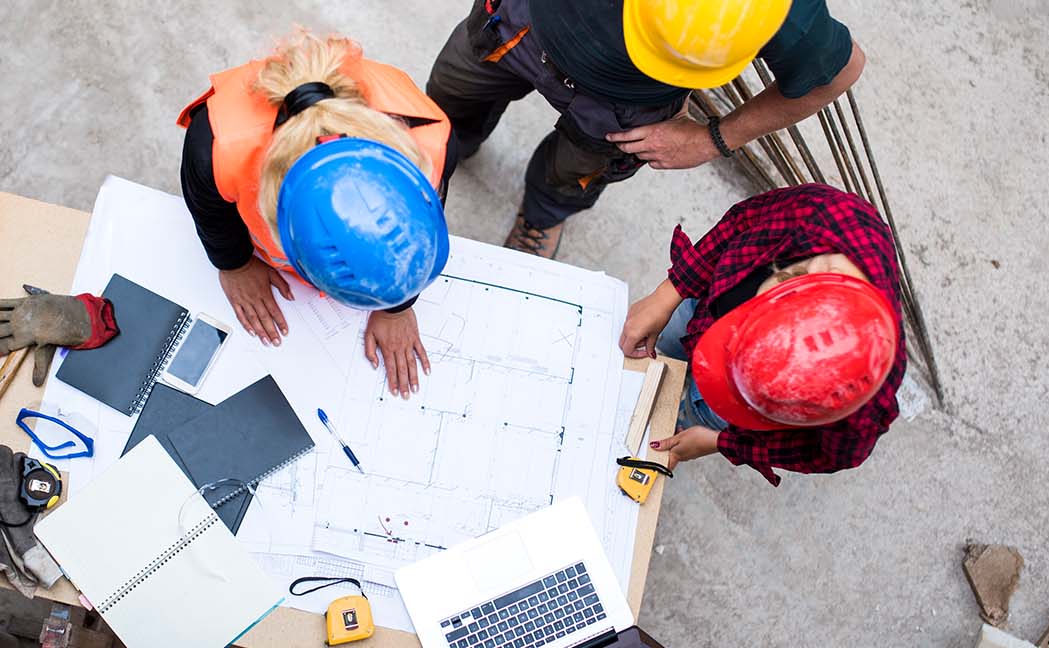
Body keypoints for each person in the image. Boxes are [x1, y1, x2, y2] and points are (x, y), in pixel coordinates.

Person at [426, 0, 864, 258]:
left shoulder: (776, 11)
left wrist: (715, 137)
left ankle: (541, 218)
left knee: (571, 175)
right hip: (524, 21)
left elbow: (838, 71)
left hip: (624, 109)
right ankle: (443, 150)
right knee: (451, 97)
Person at [178, 31, 459, 398]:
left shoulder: (431, 144)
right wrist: (235, 263)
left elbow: (415, 233)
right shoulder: (216, 147)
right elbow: (208, 207)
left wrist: (397, 304)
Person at [618, 184, 906, 485]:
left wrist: (721, 441)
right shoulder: (821, 215)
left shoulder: (865, 407)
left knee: (694, 415)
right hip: (704, 309)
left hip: (731, 406)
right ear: (787, 275)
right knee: (668, 336)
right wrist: (669, 294)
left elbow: (829, 455)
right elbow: (742, 221)